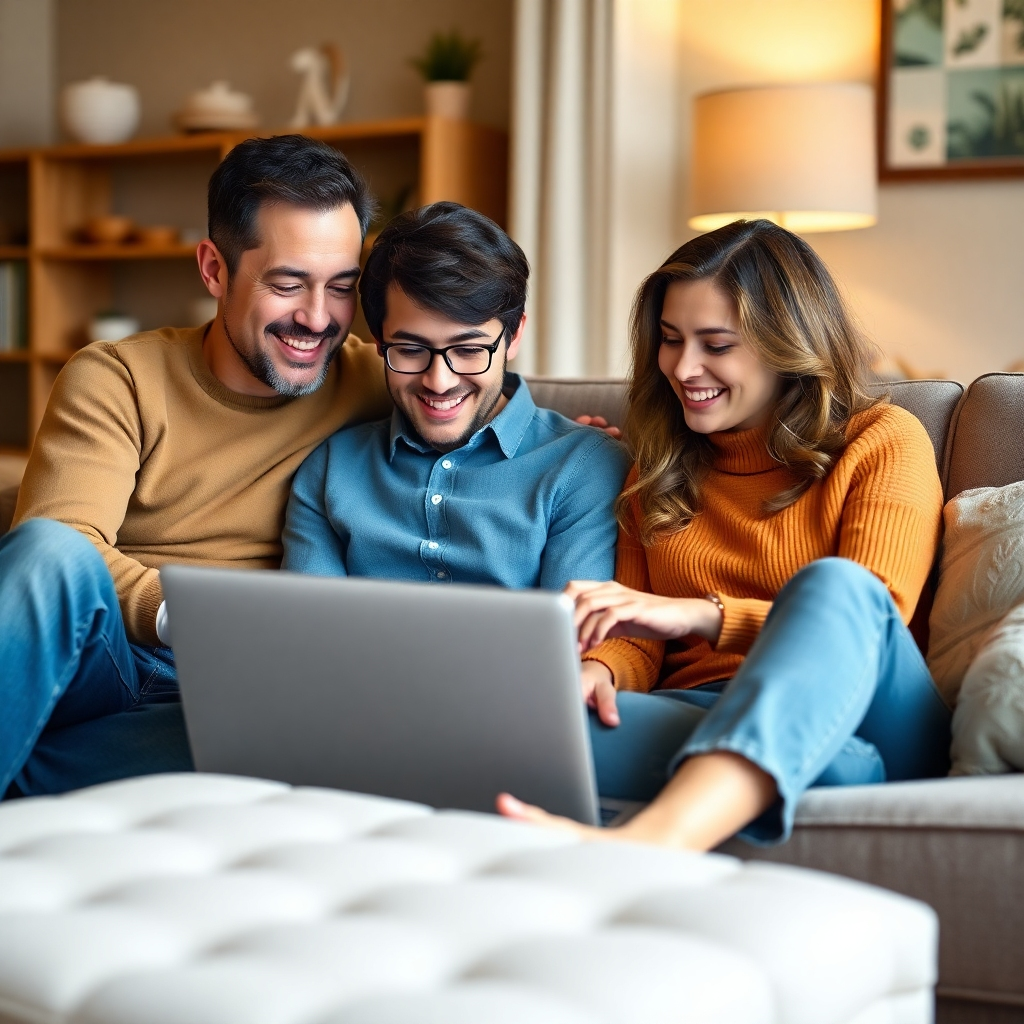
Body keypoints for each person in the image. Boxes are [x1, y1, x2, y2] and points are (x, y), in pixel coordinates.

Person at [498, 219, 952, 849]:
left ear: (785, 345)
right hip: (719, 715)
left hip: (870, 720)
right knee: (516, 733)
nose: (684, 368)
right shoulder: (652, 463)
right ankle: (735, 785)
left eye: (716, 344)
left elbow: (872, 619)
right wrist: (601, 670)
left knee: (835, 585)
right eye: (671, 339)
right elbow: (634, 638)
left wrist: (696, 616)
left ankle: (653, 842)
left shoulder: (882, 440)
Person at [0, 134, 391, 798]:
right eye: (288, 283)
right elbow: (65, 550)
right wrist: (189, 614)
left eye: (342, 288)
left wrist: (575, 439)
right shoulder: (117, 377)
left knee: (314, 746)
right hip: (111, 660)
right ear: (213, 269)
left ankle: (34, 767)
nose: (317, 318)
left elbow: (477, 394)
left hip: (237, 703)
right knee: (45, 549)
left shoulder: (377, 382)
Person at [283, 202, 629, 592]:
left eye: (468, 350)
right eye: (411, 350)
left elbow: (571, 640)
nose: (439, 381)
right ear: (379, 342)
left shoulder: (583, 466)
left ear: (513, 336)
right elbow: (308, 636)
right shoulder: (330, 470)